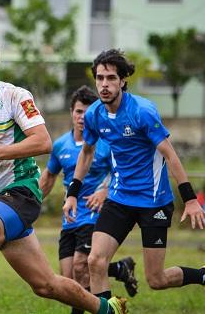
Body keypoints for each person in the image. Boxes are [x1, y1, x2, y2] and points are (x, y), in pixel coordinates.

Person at [0, 37, 126, 314]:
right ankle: (108, 309)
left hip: (21, 192)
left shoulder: (15, 96)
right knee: (45, 285)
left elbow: (43, 142)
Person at [63, 49, 205, 311]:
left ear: (122, 81)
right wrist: (73, 191)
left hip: (153, 202)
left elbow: (170, 155)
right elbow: (87, 152)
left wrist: (190, 200)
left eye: (110, 78)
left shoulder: (142, 112)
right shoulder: (95, 113)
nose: (104, 85)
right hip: (119, 198)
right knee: (95, 261)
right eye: (99, 78)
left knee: (157, 279)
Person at [39, 86, 137, 314]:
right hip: (70, 217)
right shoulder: (60, 145)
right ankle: (120, 269)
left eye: (87, 112)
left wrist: (105, 191)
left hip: (96, 215)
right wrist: (32, 201)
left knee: (81, 267)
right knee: (68, 277)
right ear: (71, 113)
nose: (82, 117)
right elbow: (49, 176)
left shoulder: (105, 143)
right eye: (78, 112)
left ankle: (109, 306)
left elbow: (122, 171)